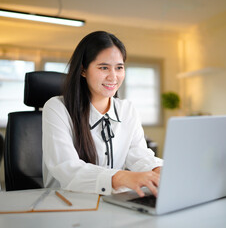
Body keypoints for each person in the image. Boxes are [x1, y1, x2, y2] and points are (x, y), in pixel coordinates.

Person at [42, 31, 163, 197]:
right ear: (83, 70)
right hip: (66, 203)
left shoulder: (127, 110)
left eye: (119, 67)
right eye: (104, 67)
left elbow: (139, 156)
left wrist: (160, 170)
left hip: (111, 204)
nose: (113, 77)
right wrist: (122, 177)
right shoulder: (57, 108)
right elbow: (67, 167)